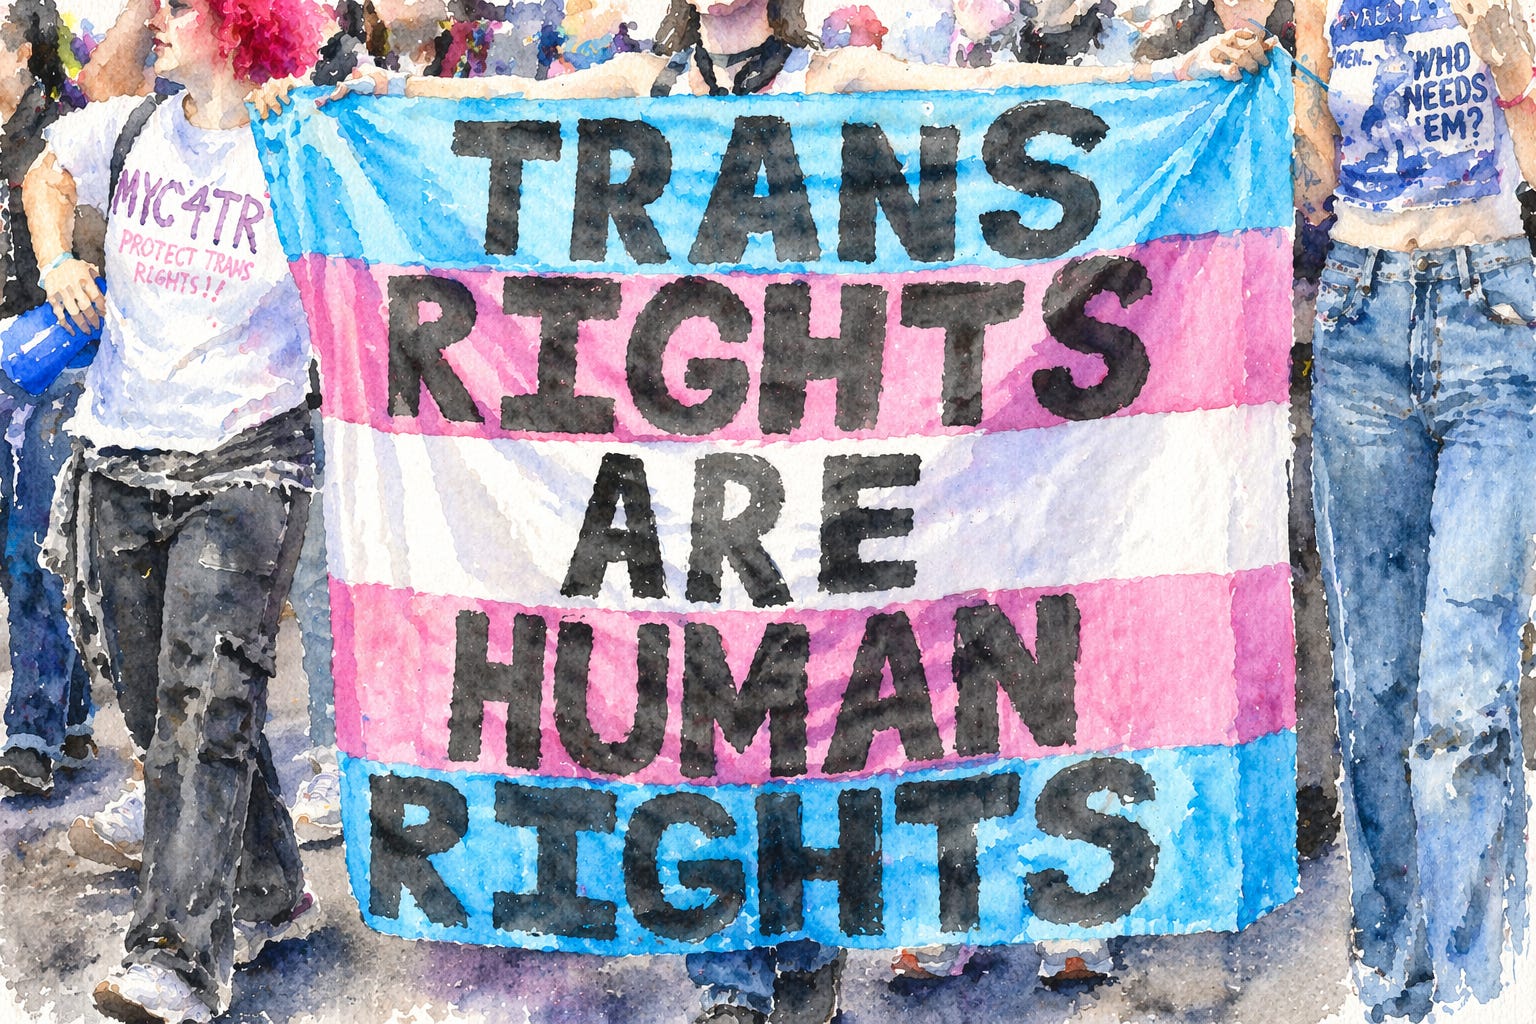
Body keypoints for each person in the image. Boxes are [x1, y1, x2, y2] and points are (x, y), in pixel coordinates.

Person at [260, 3, 1269, 1020]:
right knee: (702, 715)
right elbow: (502, 113)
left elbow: (999, 100)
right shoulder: (646, 87)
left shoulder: (833, 80)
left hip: (820, 481)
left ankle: (807, 939)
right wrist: (378, 95)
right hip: (684, 487)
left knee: (813, 716)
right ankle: (728, 976)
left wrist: (1179, 77)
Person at [23, 0, 328, 1017]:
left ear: (243, 22)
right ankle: (270, 887)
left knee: (206, 707)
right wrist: (59, 259)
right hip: (122, 452)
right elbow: (46, 172)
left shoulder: (299, 145)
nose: (160, 19)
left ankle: (176, 958)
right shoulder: (132, 127)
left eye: (183, 6)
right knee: (170, 710)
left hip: (249, 461)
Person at [1295, 0, 1536, 1018]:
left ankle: (1478, 991)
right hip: (1360, 319)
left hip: (1494, 313)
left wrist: (1514, 67)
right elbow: (1316, 184)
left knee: (1465, 696)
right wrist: (1279, 94)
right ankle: (1396, 986)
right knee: (1377, 692)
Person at [0, 0, 92, 800]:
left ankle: (31, 731)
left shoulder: (68, 135)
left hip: (55, 363)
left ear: (23, 48)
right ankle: (73, 706)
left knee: (34, 545)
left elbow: (94, 252)